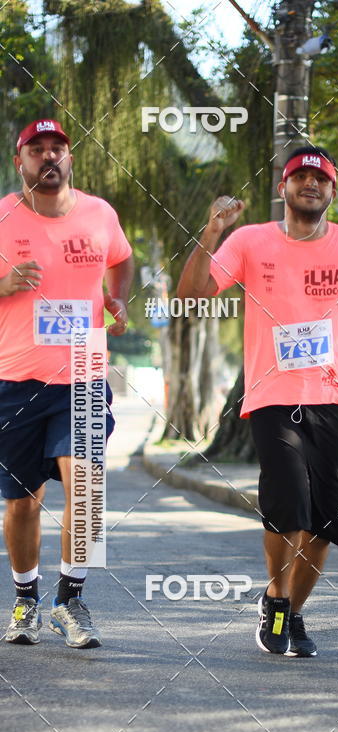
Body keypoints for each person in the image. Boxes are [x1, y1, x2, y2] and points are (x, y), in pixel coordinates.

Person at [178, 145, 338, 657]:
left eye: (321, 179)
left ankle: (292, 612)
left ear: (333, 191)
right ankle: (276, 601)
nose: (311, 184)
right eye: (300, 177)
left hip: (333, 399)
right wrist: (212, 230)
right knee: (288, 507)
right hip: (272, 396)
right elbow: (194, 291)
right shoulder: (251, 241)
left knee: (327, 521)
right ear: (284, 189)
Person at [0, 119, 134, 648]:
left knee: (86, 487)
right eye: (37, 150)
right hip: (12, 380)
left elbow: (121, 261)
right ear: (20, 161)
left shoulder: (99, 213)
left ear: (70, 157)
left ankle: (70, 599)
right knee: (22, 502)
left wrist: (117, 299)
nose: (48, 156)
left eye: (58, 148)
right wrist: (4, 283)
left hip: (82, 374)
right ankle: (26, 599)